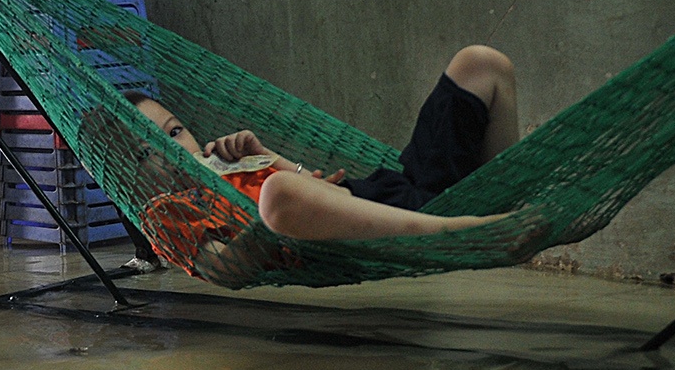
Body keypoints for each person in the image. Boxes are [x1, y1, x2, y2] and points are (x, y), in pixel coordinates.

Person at [132, 44, 520, 243]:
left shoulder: (227, 159)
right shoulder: (170, 214)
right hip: (364, 238)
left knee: (482, 64)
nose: (174, 148)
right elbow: (222, 264)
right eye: (151, 150)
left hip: (390, 196)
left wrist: (268, 158)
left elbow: (319, 183)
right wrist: (262, 218)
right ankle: (471, 230)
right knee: (277, 193)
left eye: (174, 131)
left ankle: (504, 209)